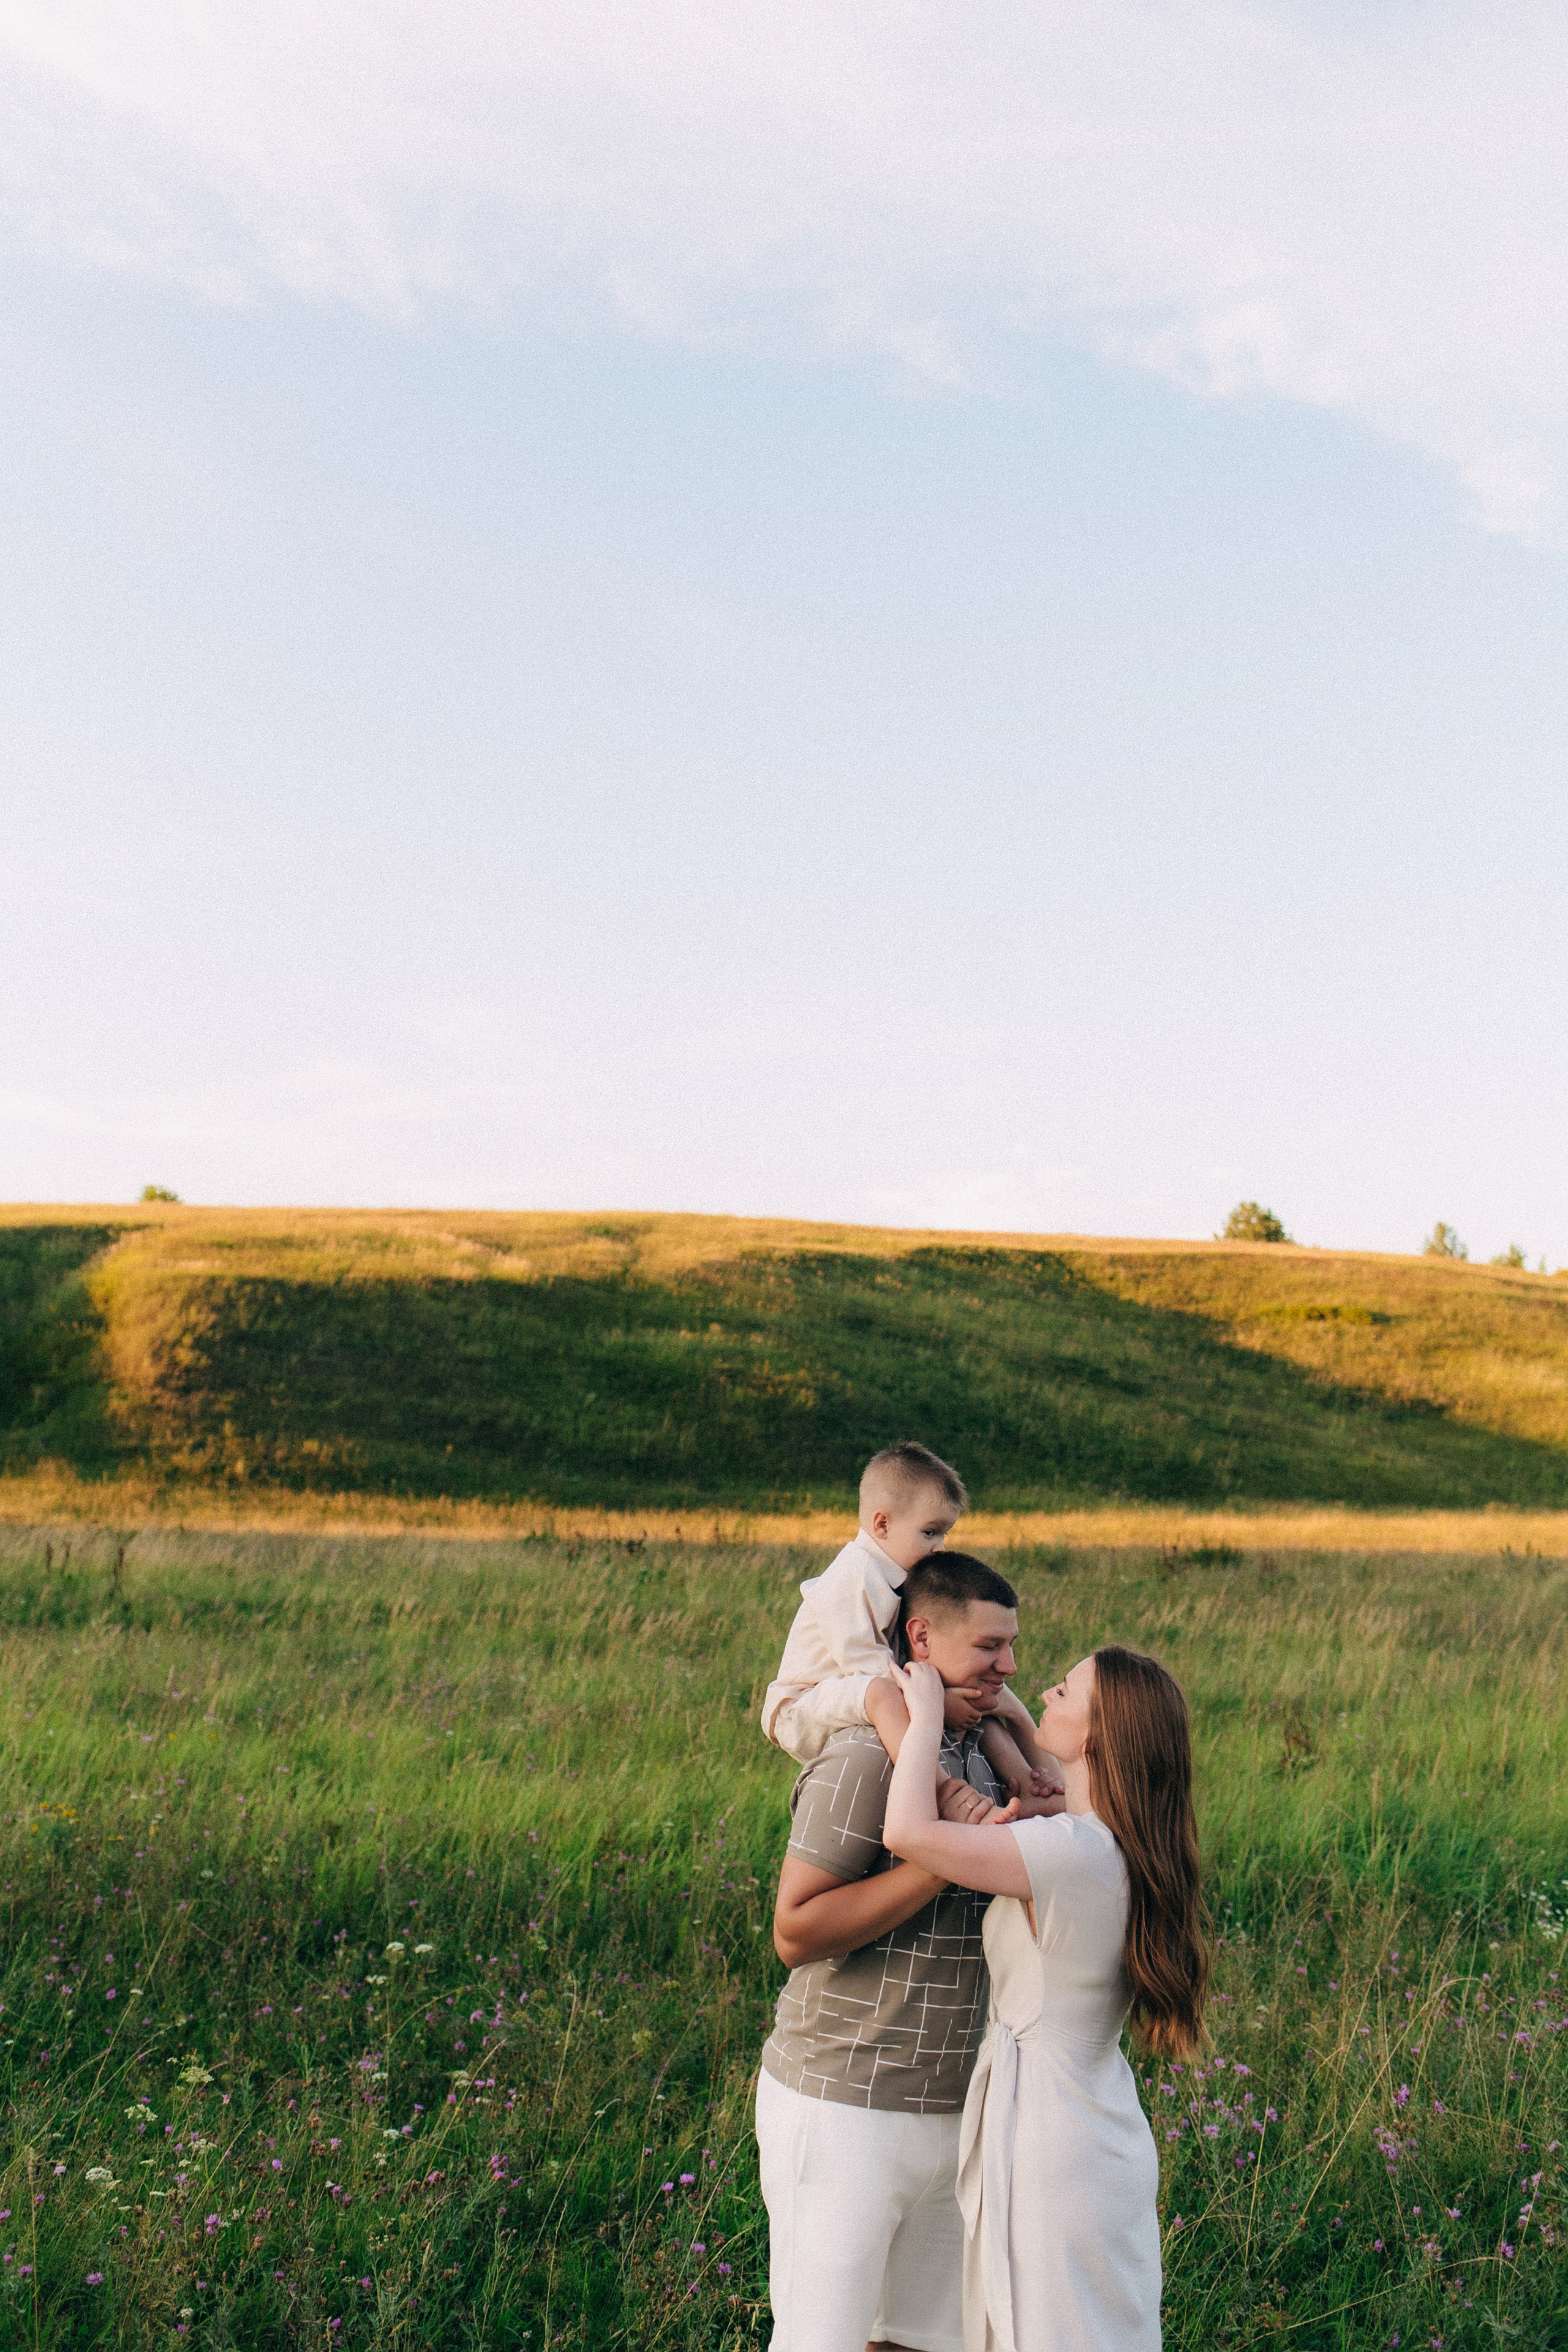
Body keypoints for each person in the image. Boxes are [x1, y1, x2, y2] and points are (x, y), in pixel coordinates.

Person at [883, 1645, 1208, 2352]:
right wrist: (1016, 1719)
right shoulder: (1122, 1842)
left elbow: (906, 1832)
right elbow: (1049, 1776)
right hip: (1093, 2121)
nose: (1044, 1694)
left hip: (1049, 2138)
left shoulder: (1069, 1853)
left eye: (1063, 1691)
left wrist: (924, 1717)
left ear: (1096, 1734)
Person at [757, 1553, 1039, 2352]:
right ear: (922, 1637)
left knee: (923, 2344)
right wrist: (939, 1859)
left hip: (958, 2113)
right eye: (990, 1648)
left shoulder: (983, 1755)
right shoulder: (863, 1758)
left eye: (1013, 1646)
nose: (1009, 1666)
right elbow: (795, 1931)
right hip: (846, 2105)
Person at [760, 1440, 1057, 1804]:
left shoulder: (898, 1577)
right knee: (884, 1695)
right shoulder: (853, 1576)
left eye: (945, 1534)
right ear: (882, 1524)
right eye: (930, 1532)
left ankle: (1027, 1781)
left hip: (856, 1691)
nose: (940, 1547)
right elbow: (864, 1664)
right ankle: (944, 1792)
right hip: (802, 1705)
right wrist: (935, 1704)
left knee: (979, 1694)